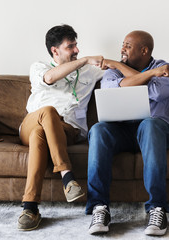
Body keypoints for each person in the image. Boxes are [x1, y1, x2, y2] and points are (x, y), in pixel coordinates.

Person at [85, 30, 169, 236]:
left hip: (158, 131)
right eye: (123, 44)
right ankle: (99, 207)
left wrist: (119, 65)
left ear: (144, 50)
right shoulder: (112, 72)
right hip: (123, 130)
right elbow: (113, 89)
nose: (122, 49)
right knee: (98, 130)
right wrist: (149, 75)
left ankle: (157, 208)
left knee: (149, 124)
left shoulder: (166, 68)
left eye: (128, 45)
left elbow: (155, 92)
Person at [18, 24, 104, 231]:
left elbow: (115, 68)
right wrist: (84, 60)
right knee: (48, 112)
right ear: (55, 50)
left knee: (42, 135)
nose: (77, 50)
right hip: (33, 122)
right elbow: (50, 78)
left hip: (69, 130)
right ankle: (67, 176)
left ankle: (30, 208)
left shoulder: (89, 72)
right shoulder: (39, 67)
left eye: (76, 45)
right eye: (70, 46)